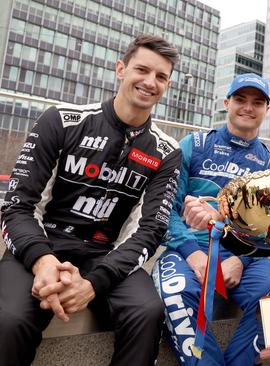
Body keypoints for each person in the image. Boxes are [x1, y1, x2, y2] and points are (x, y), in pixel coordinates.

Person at [0, 35, 181, 366]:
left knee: (147, 312)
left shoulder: (167, 152)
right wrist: (42, 261)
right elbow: (17, 205)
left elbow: (150, 230)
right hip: (44, 243)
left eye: (161, 77)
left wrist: (94, 282)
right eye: (142, 69)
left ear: (167, 85)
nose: (150, 82)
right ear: (120, 69)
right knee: (8, 319)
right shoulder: (62, 119)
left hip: (105, 256)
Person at [153, 73, 270, 366]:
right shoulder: (194, 144)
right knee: (175, 292)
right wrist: (193, 254)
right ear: (227, 102)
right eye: (240, 99)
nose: (248, 107)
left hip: (246, 255)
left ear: (267, 109)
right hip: (187, 250)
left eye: (257, 102)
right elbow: (166, 210)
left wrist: (242, 258)